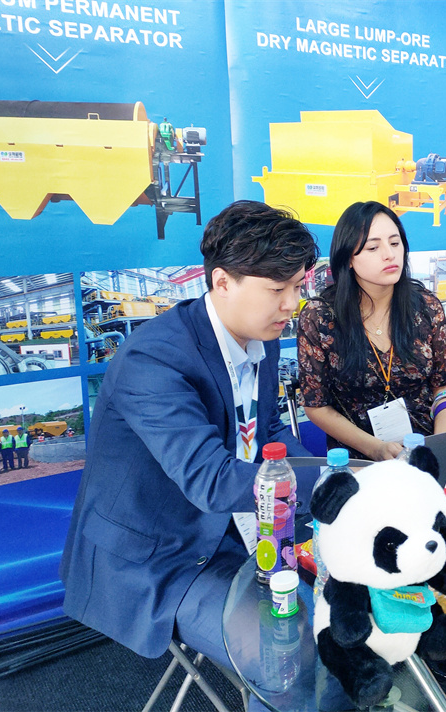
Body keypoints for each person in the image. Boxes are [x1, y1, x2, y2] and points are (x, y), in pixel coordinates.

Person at [60, 200, 319, 671]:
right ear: (222, 282)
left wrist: (335, 480)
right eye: (278, 288)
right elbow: (211, 481)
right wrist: (329, 485)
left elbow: (270, 436)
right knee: (286, 652)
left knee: (341, 613)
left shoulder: (262, 333)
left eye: (298, 286)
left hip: (238, 529)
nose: (292, 304)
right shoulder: (155, 358)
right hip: (162, 555)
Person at [298, 201, 446, 461]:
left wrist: (438, 448)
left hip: (424, 449)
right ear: (348, 258)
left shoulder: (426, 306)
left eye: (395, 243)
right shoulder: (320, 317)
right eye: (373, 247)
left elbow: (444, 385)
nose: (389, 254)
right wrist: (376, 449)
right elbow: (316, 406)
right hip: (358, 458)